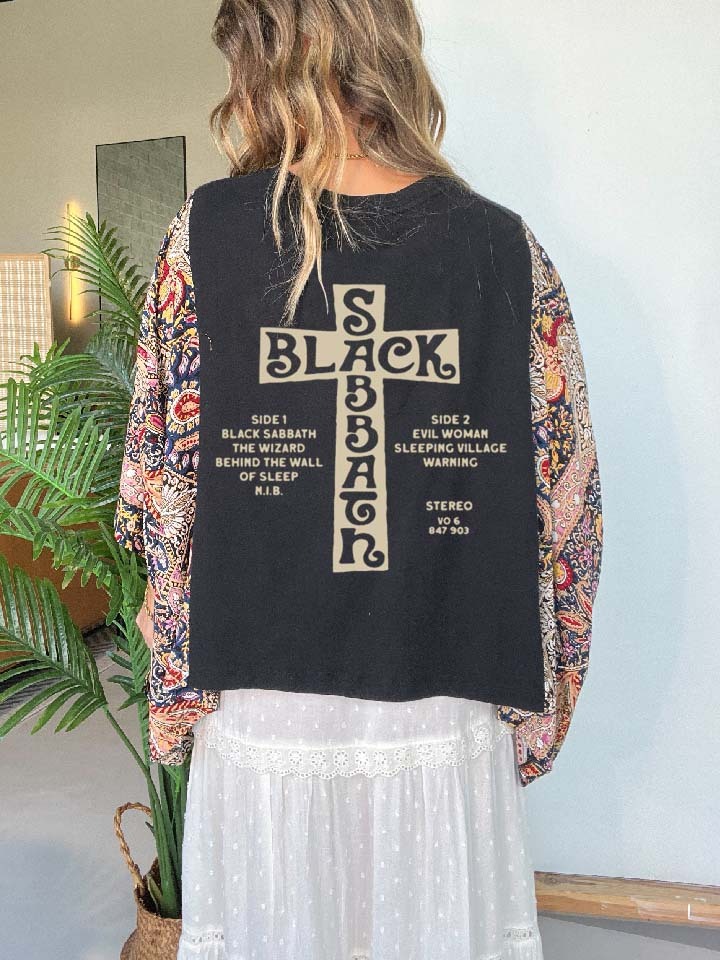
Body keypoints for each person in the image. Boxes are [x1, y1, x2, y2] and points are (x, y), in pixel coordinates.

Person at [114, 1, 603, 957]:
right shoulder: (506, 248)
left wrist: (171, 646)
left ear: (273, 57)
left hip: (265, 697)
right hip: (444, 688)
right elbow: (567, 503)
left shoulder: (205, 236)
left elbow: (160, 488)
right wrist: (547, 692)